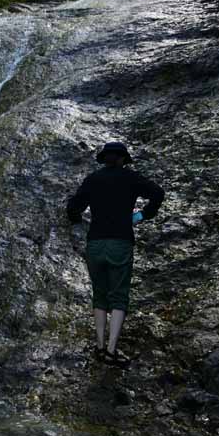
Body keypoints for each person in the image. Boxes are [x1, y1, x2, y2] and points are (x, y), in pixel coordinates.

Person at [67, 141, 164, 369]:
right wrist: (143, 215)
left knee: (99, 294)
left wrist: (76, 221)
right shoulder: (130, 178)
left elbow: (74, 207)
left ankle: (99, 347)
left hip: (95, 243)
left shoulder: (93, 180)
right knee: (119, 295)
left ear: (104, 159)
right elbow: (158, 193)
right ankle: (111, 350)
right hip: (120, 242)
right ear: (122, 159)